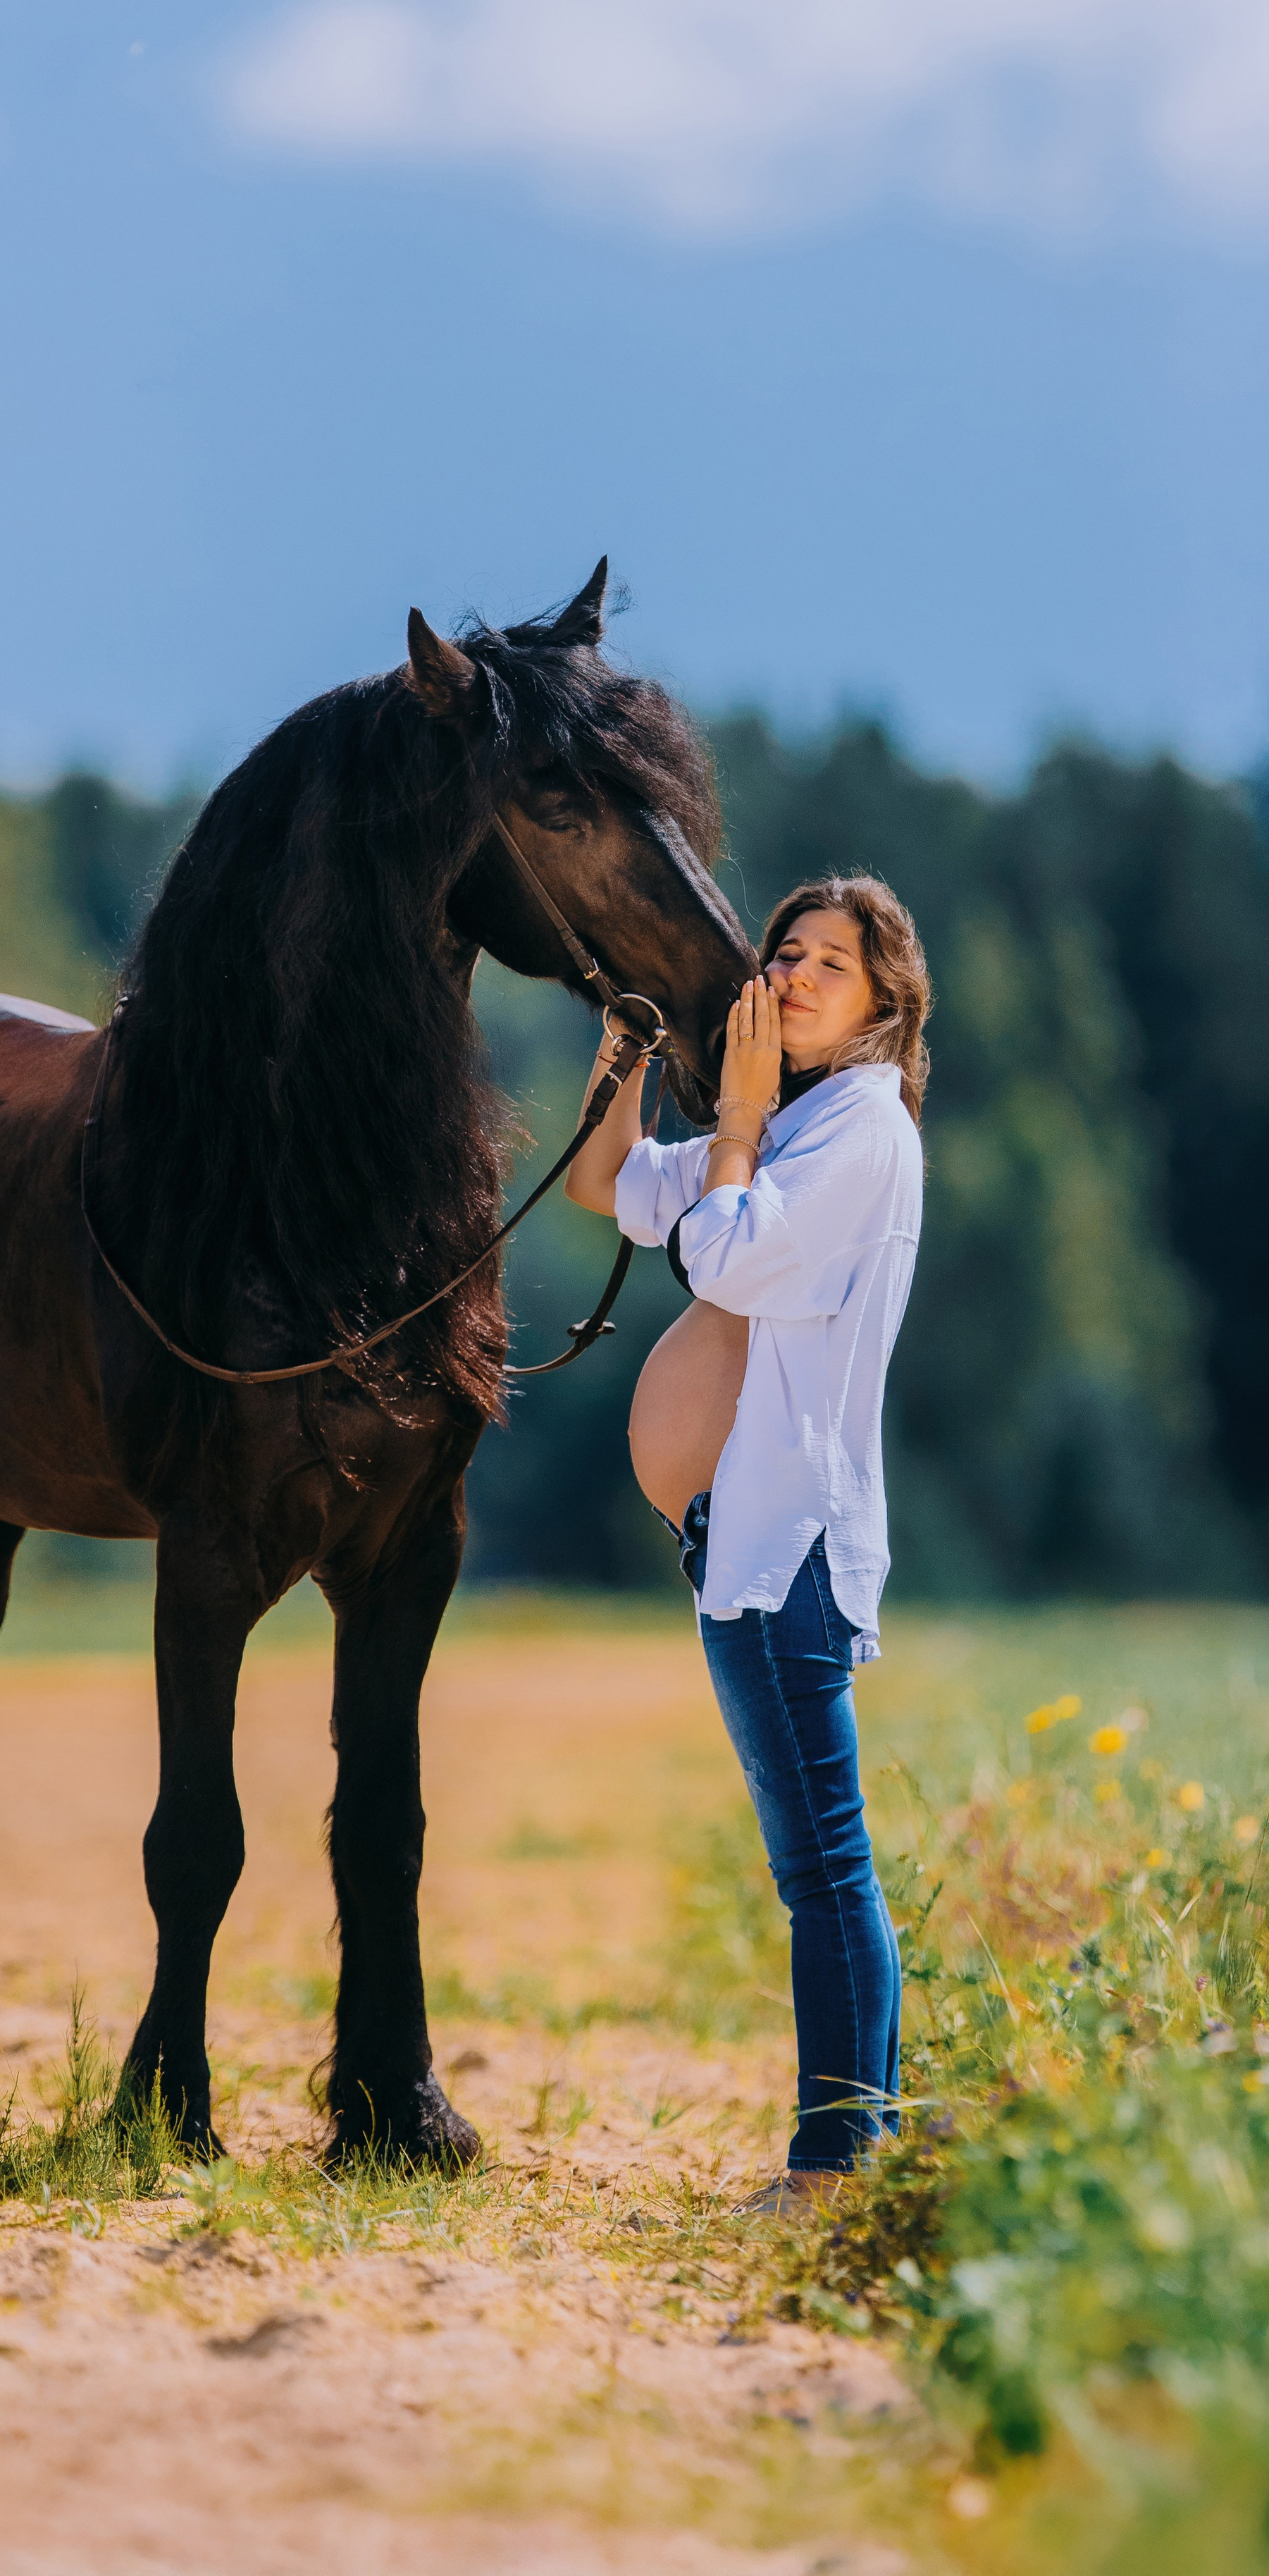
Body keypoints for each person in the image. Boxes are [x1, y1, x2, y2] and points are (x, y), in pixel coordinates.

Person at [567, 875, 930, 2209]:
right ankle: (864, 2147)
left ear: (887, 1001)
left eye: (834, 962)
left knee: (824, 1870)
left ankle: (836, 2163)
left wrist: (729, 1125)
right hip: (742, 1544)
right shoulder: (790, 1124)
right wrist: (633, 1054)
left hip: (788, 1547)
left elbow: (724, 1257)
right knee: (824, 1867)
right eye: (785, 956)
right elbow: (607, 1185)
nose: (798, 978)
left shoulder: (854, 1134)